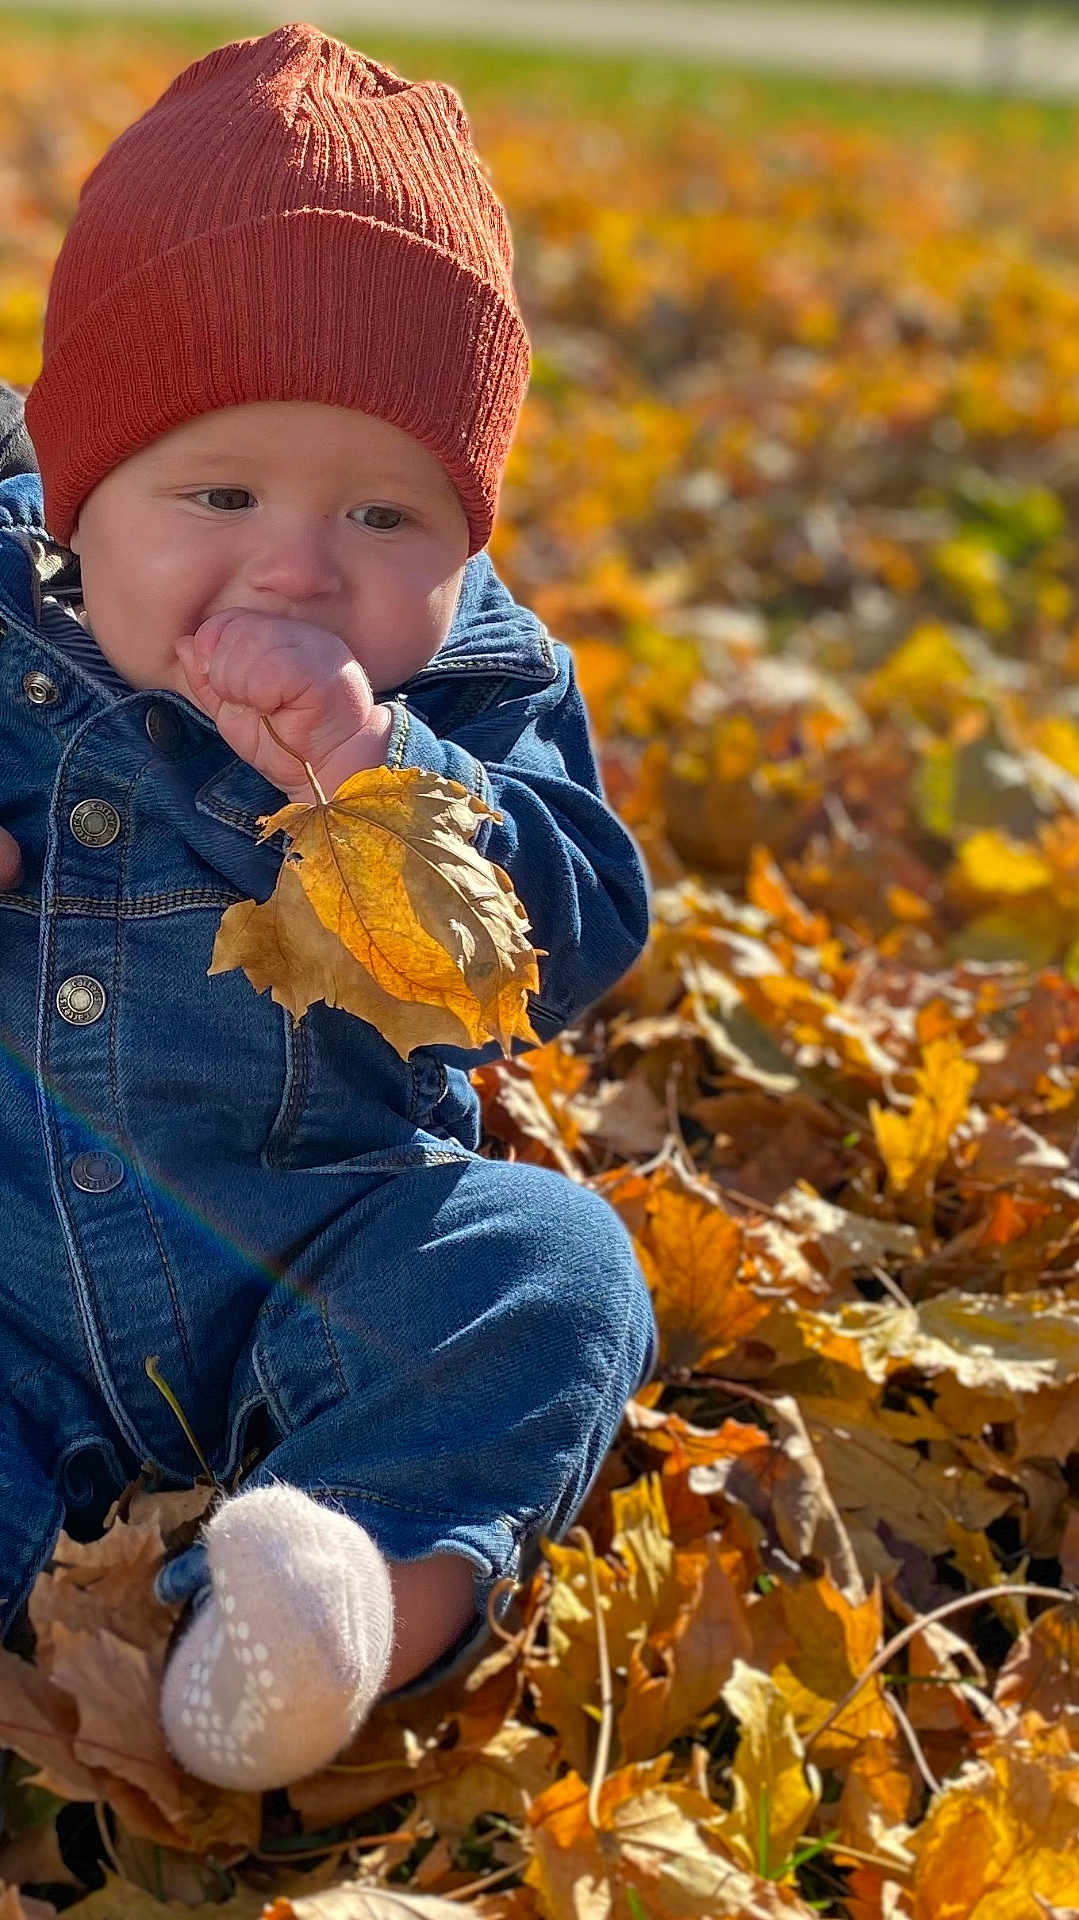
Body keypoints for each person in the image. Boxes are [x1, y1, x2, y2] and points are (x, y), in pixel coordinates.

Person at [0, 21, 658, 1792]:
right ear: (77, 492)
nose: (298, 567)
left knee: (563, 1272)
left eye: (383, 513)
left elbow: (575, 937)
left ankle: (330, 1601)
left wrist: (380, 779)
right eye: (219, 493)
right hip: (8, 1281)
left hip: (329, 1254)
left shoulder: (474, 690)